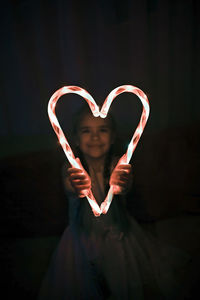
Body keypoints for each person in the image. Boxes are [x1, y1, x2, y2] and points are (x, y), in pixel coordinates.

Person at [38, 104, 190, 300]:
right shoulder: (71, 167)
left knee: (124, 280)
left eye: (103, 130)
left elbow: (124, 187)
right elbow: (71, 187)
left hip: (119, 235)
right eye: (86, 131)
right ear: (75, 139)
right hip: (82, 238)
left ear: (112, 137)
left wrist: (122, 184)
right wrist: (77, 186)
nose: (95, 137)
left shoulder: (119, 164)